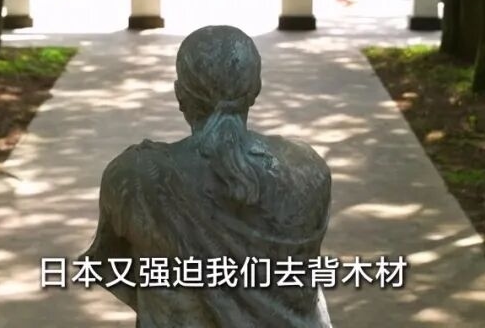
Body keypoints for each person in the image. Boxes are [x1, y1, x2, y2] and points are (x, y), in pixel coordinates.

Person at [83, 25, 333, 327]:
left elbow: (112, 268)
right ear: (256, 89)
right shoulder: (308, 169)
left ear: (179, 94)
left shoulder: (134, 177)